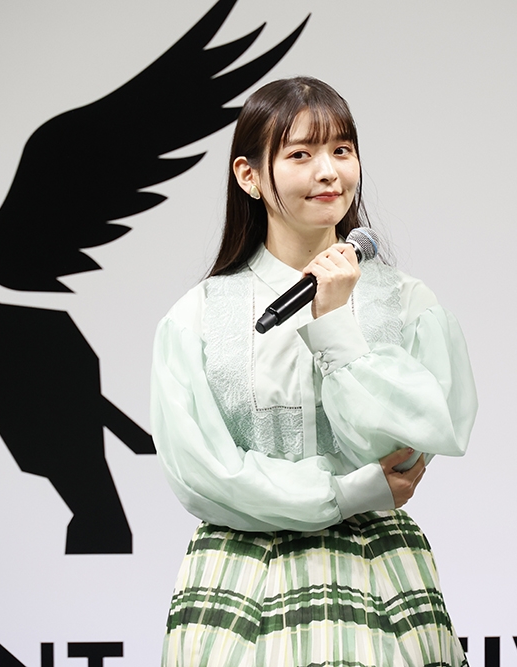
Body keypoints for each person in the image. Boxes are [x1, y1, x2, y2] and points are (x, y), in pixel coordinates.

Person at [150, 76, 478, 667]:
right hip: (238, 575)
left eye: (341, 150)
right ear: (249, 176)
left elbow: (407, 451)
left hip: (377, 573)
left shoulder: (406, 303)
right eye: (301, 154)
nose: (329, 172)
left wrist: (335, 324)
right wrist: (346, 491)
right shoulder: (197, 316)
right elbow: (204, 475)